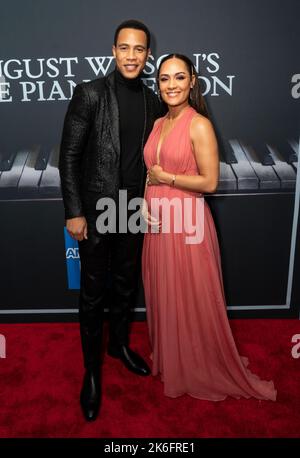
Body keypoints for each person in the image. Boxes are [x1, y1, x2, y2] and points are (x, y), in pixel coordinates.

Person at [142, 54, 277, 401]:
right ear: (158, 85)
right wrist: (143, 202)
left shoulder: (197, 123)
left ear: (192, 82)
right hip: (157, 225)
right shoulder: (159, 123)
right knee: (165, 294)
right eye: (164, 79)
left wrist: (166, 177)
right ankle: (174, 359)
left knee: (191, 295)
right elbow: (149, 172)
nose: (171, 85)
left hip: (187, 223)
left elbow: (211, 181)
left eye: (178, 78)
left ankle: (198, 364)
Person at [59, 19, 162, 421]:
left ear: (147, 55)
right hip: (97, 210)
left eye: (139, 49)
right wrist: (73, 211)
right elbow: (68, 157)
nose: (132, 56)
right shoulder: (90, 94)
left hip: (133, 209)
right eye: (125, 48)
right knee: (92, 293)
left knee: (124, 285)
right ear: (114, 51)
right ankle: (91, 371)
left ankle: (118, 346)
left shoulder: (154, 101)